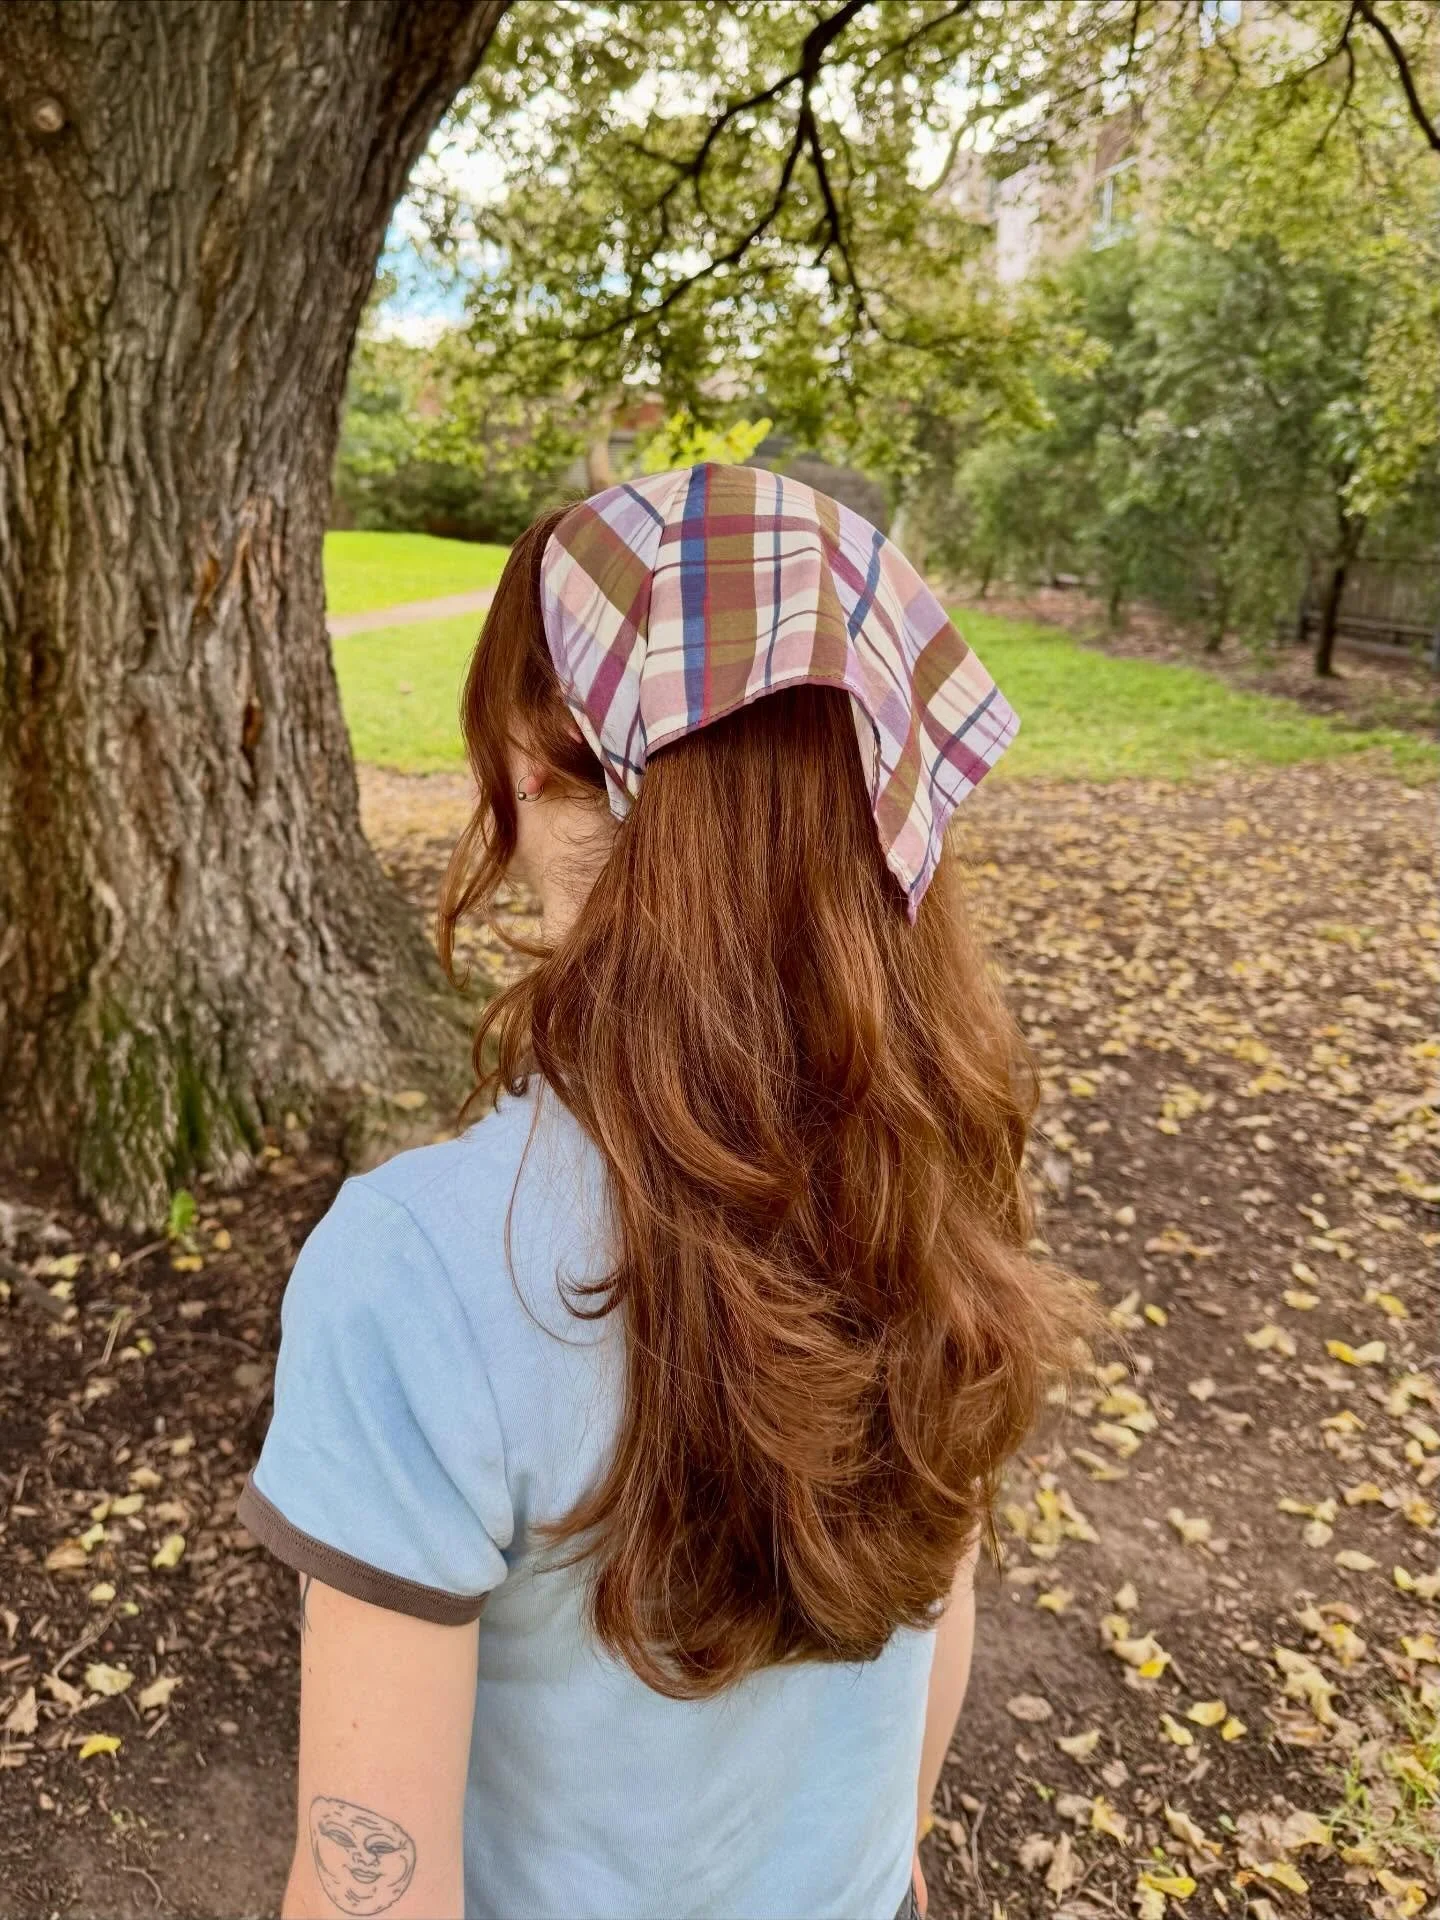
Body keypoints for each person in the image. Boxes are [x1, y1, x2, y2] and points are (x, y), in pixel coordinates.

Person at [237, 462, 1093, 1920]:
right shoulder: (931, 1174)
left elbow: (362, 1877)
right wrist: (895, 1867)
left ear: (538, 771)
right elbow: (933, 1634)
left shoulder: (422, 1264)